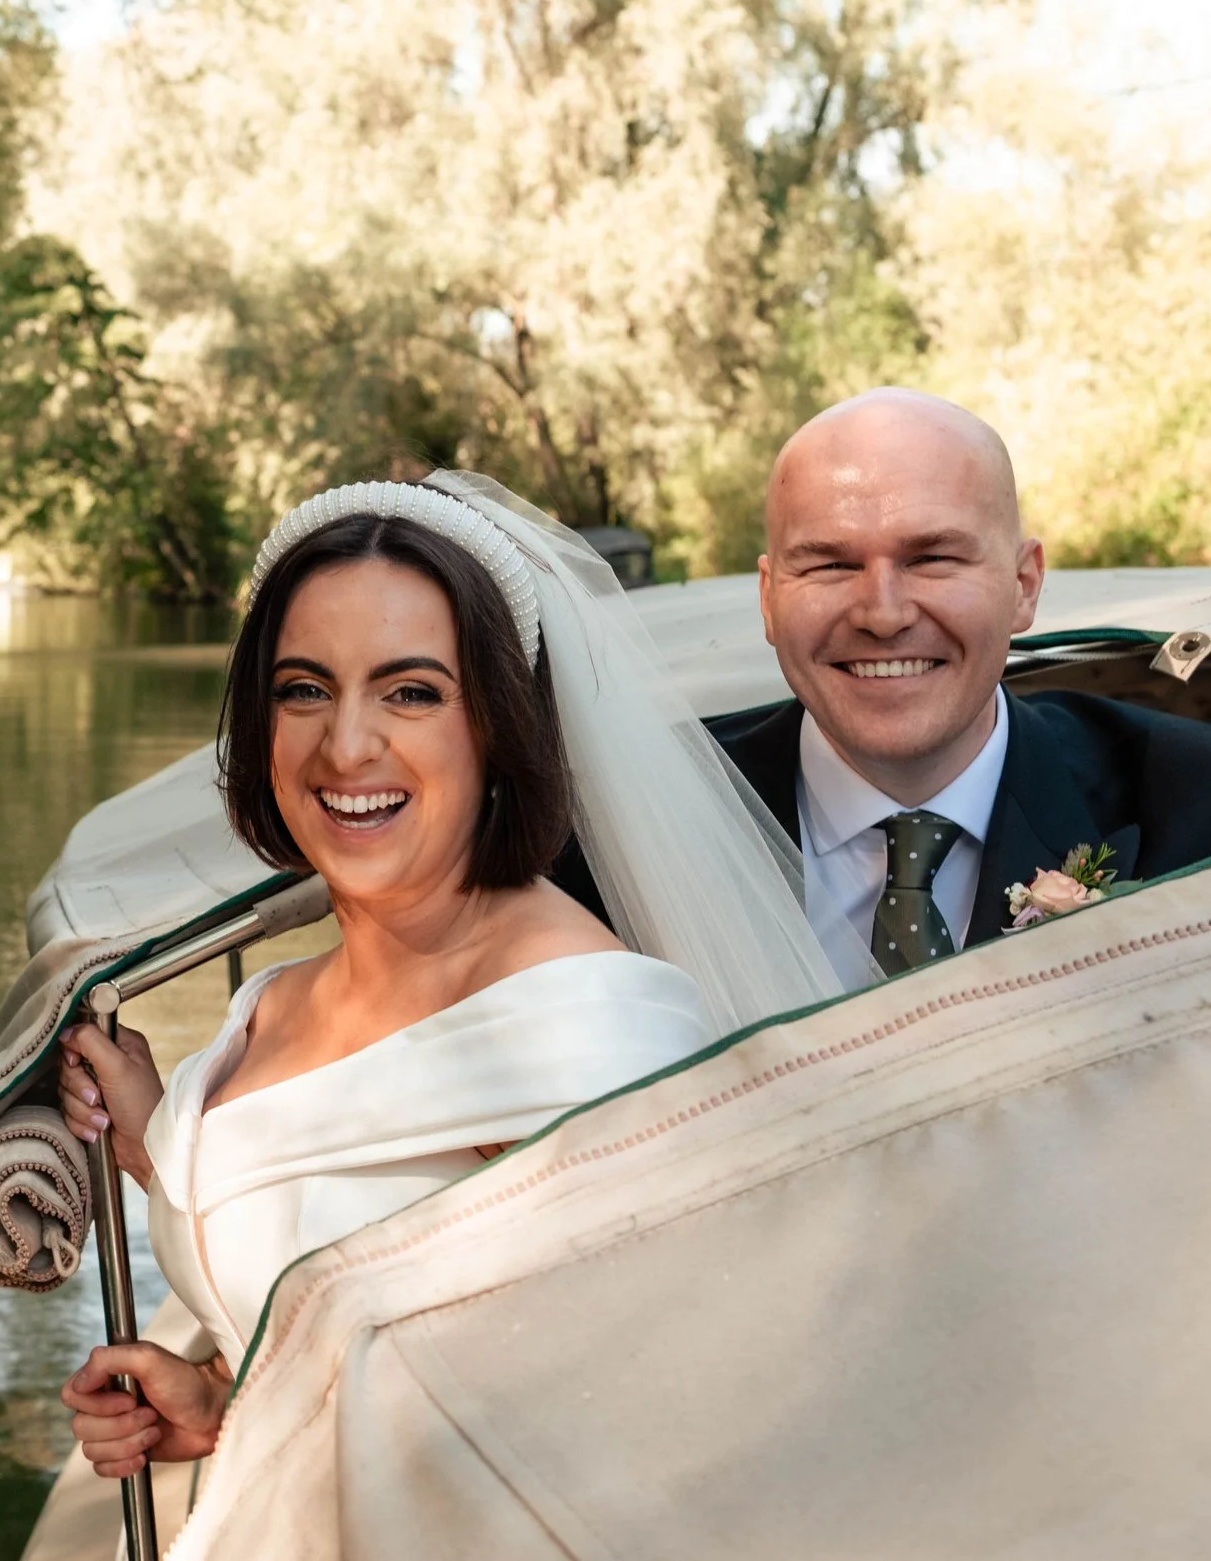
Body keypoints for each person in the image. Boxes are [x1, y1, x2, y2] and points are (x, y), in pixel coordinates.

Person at [46, 476, 849, 1483]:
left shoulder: (576, 1028)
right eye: (303, 688)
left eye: (411, 691)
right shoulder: (268, 1007)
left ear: (497, 731)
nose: (345, 744)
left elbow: (654, 1433)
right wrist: (220, 1397)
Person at [716, 388, 1211, 992]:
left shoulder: (1203, 799)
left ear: (1024, 585)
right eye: (831, 566)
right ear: (768, 598)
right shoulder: (641, 814)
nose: (883, 615)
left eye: (932, 558)